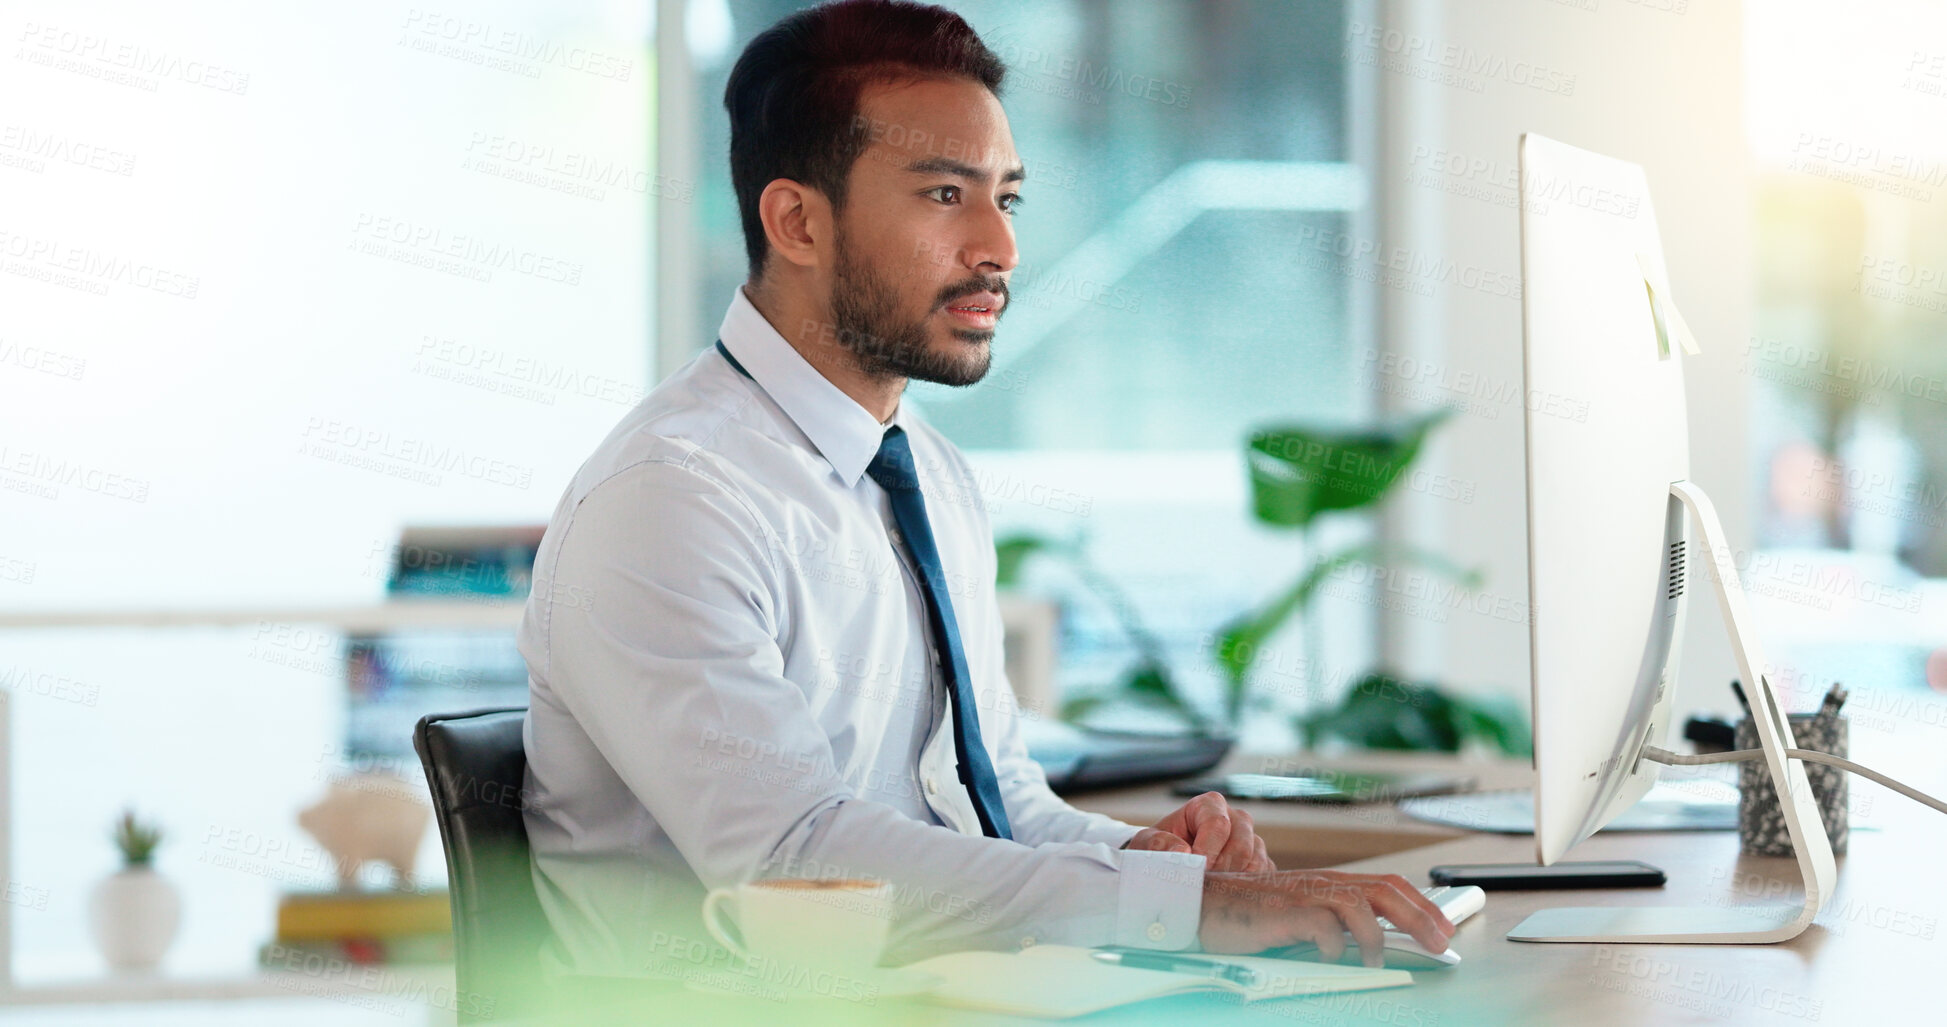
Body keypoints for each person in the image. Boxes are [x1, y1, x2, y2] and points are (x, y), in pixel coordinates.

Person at [517, 0, 1453, 981]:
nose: (999, 250)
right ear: (797, 221)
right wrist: (1183, 906)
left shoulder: (926, 473)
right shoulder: (673, 499)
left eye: (1005, 199)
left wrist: (1141, 858)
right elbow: (794, 861)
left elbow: (991, 795)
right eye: (942, 195)